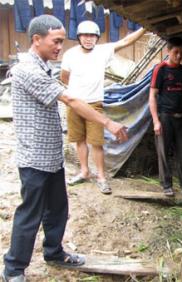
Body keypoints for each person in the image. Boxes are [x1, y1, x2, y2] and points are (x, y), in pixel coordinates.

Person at [1, 15, 128, 282]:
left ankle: (54, 252)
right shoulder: (27, 70)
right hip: (34, 157)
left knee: (57, 208)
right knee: (30, 215)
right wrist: (107, 122)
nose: (60, 46)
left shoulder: (44, 66)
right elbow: (69, 98)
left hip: (51, 156)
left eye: (61, 41)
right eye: (56, 41)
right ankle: (13, 269)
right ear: (37, 40)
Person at [60, 21, 145, 194]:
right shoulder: (70, 54)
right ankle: (84, 171)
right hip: (74, 103)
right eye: (85, 35)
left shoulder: (103, 51)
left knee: (96, 142)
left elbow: (126, 42)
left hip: (94, 105)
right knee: (79, 140)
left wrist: (145, 28)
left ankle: (101, 177)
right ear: (79, 37)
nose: (88, 39)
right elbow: (64, 77)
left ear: (97, 37)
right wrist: (77, 91)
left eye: (92, 35)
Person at [149, 37, 182, 196]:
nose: (179, 56)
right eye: (175, 52)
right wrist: (156, 121)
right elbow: (152, 97)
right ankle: (167, 185)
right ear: (168, 51)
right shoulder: (160, 69)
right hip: (165, 117)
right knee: (163, 152)